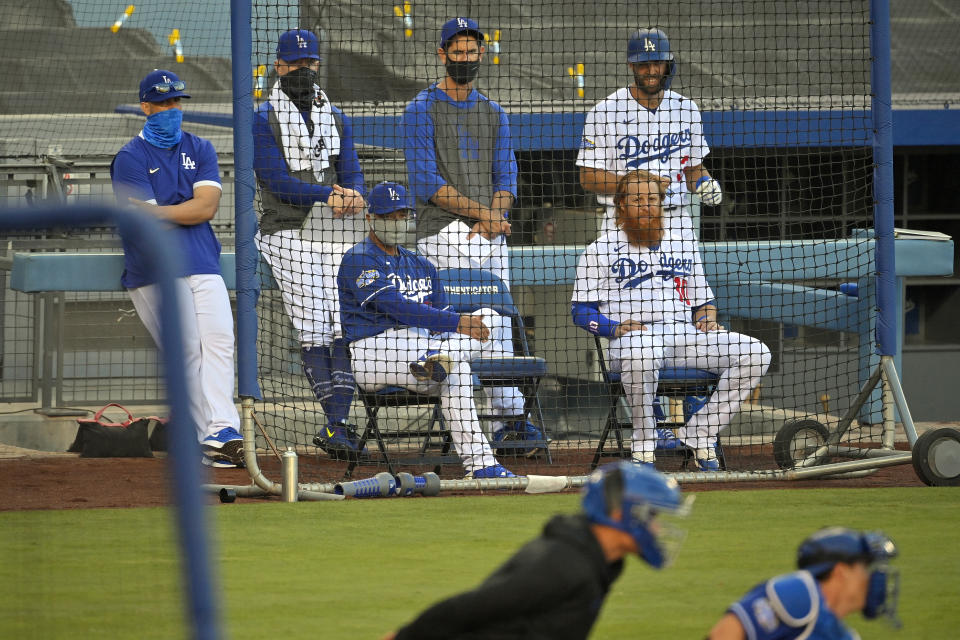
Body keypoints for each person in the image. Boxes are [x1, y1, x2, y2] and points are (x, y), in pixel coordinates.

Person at [401, 16, 547, 456]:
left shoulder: (494, 112)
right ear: (441, 53)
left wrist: (495, 217)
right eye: (457, 50)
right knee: (460, 322)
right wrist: (484, 216)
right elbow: (426, 183)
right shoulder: (420, 108)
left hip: (487, 230)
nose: (465, 57)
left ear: (481, 53)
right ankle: (473, 419)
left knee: (499, 317)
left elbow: (506, 176)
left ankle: (508, 420)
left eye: (471, 50)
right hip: (440, 230)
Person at [571, 169, 770, 470]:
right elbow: (581, 311)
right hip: (632, 338)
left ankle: (701, 433)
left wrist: (707, 318)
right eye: (637, 199)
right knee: (642, 353)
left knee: (756, 353)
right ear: (621, 204)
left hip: (683, 335)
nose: (646, 205)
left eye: (652, 198)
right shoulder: (599, 250)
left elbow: (703, 301)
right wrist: (612, 328)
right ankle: (644, 445)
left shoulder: (683, 242)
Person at [382, 461, 694, 640]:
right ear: (619, 513)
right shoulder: (566, 565)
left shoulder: (599, 560)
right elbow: (475, 606)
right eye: (652, 516)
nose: (657, 528)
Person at [338, 181, 517, 479]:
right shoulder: (359, 257)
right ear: (371, 218)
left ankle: (482, 465)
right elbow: (395, 306)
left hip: (422, 354)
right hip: (374, 351)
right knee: (458, 356)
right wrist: (456, 325)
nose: (396, 222)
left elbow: (444, 316)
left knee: (487, 320)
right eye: (388, 216)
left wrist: (456, 329)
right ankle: (441, 358)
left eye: (401, 215)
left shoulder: (421, 265)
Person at [110, 69, 243, 468]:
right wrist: (182, 211)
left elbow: (205, 207)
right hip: (155, 269)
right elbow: (150, 223)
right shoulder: (129, 158)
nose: (171, 109)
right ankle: (209, 437)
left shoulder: (200, 147)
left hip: (202, 260)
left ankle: (224, 430)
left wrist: (167, 211)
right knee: (185, 349)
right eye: (163, 102)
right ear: (145, 107)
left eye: (176, 102)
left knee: (219, 341)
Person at [253, 28, 367, 457]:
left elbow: (350, 169)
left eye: (310, 63)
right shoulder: (262, 118)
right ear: (279, 67)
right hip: (287, 230)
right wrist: (328, 194)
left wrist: (352, 193)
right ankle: (336, 423)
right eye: (295, 64)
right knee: (317, 324)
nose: (303, 71)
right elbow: (277, 182)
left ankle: (337, 423)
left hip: (334, 228)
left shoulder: (333, 115)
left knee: (345, 323)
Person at [577, 27, 723, 241]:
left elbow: (692, 168)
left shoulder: (687, 109)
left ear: (667, 64)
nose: (652, 70)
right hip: (624, 223)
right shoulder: (604, 112)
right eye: (644, 64)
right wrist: (640, 185)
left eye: (657, 63)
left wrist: (704, 182)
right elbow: (588, 177)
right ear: (631, 65)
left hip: (676, 223)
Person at [708, 527, 901, 639]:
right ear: (841, 571)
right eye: (864, 568)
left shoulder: (845, 636)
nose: (870, 577)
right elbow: (723, 634)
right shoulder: (799, 595)